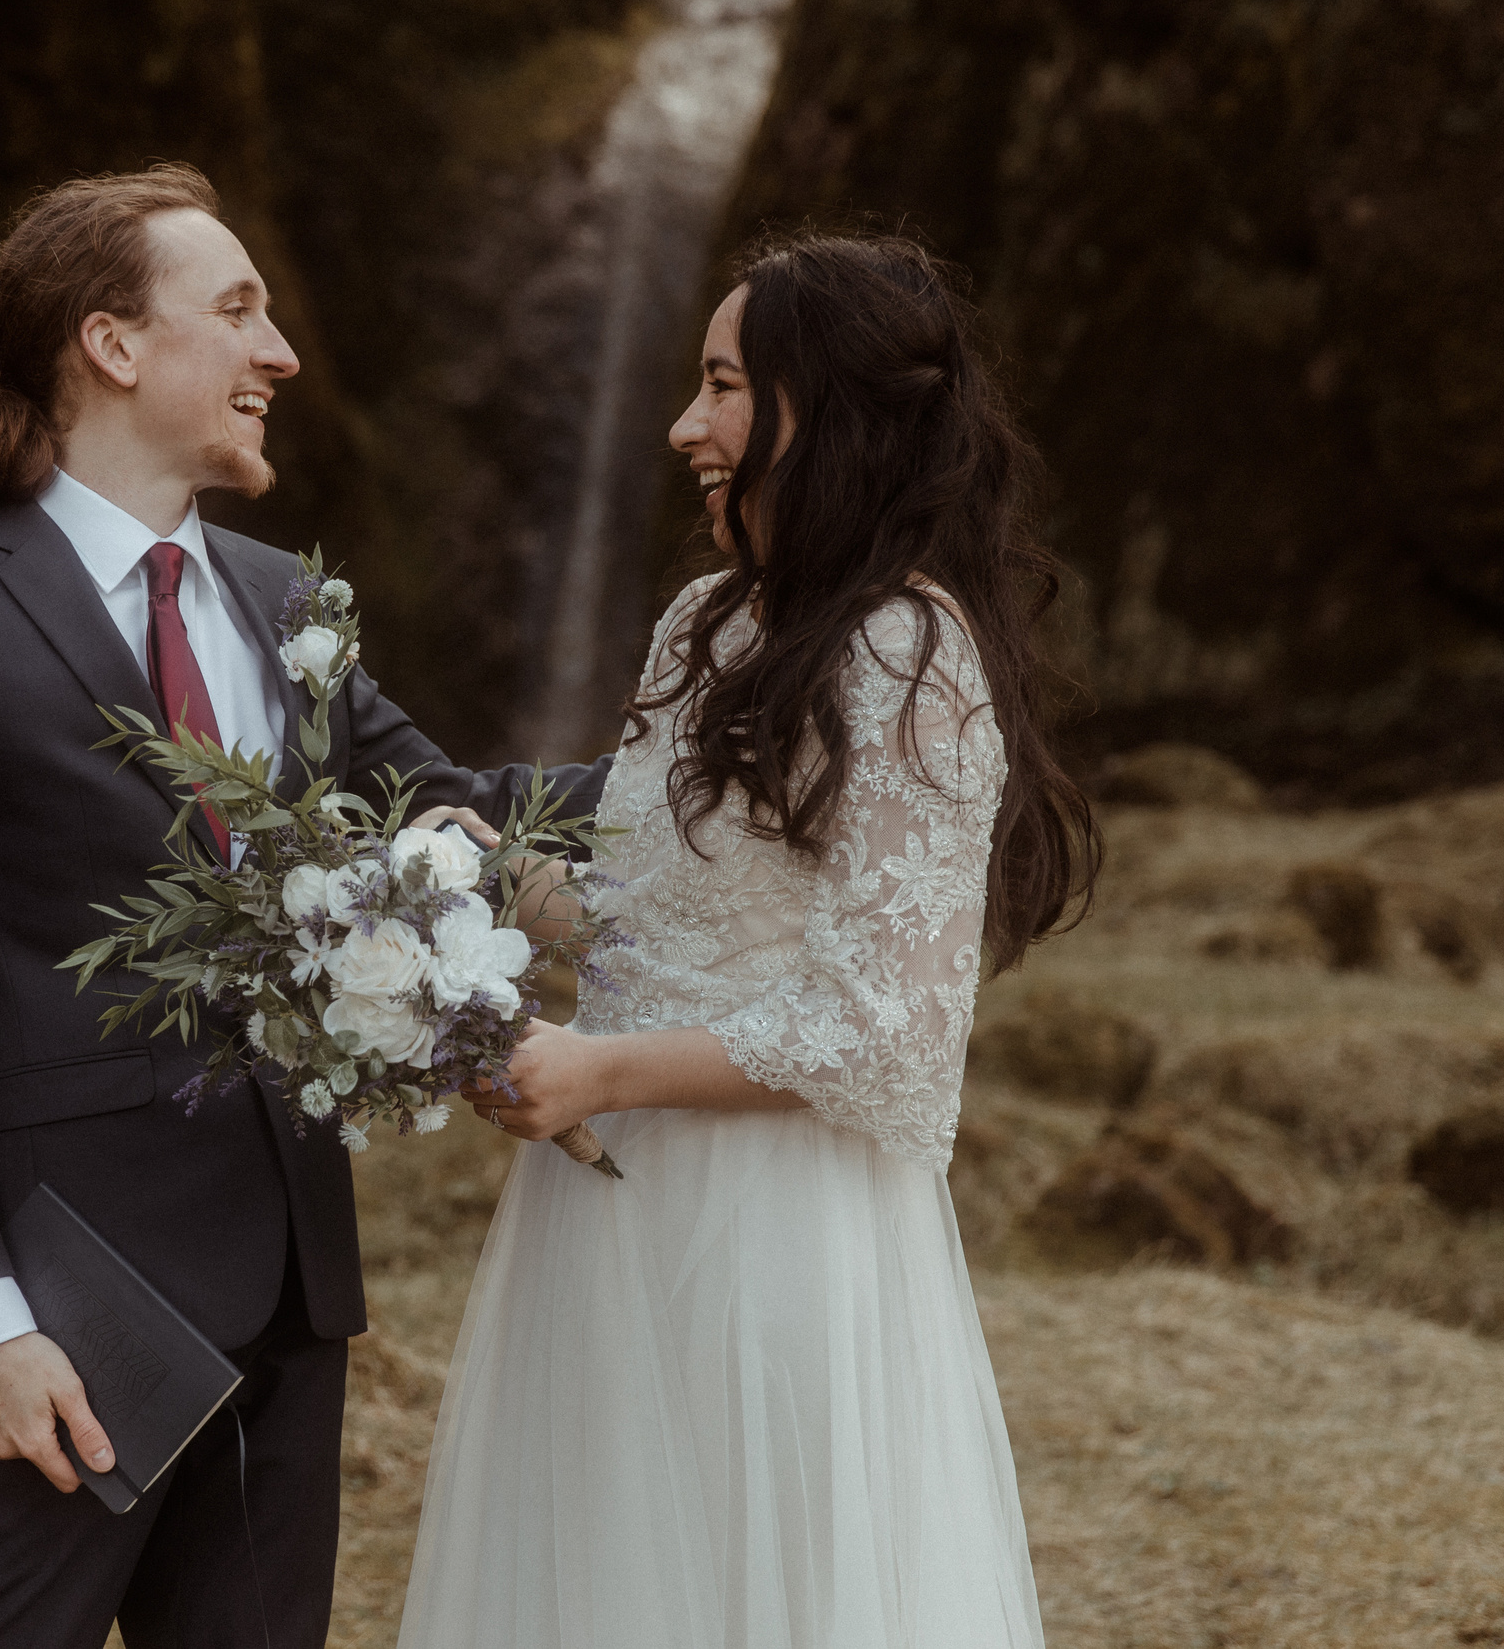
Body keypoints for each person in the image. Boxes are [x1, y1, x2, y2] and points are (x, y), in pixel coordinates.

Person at [0, 164, 606, 1648]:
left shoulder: (288, 603)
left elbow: (454, 805)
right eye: (237, 311)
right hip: (65, 1305)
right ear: (111, 343)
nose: (280, 354)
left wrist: (739, 762)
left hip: (293, 1290)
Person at [397, 230, 1100, 1648]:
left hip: (780, 1232)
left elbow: (885, 1029)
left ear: (822, 407)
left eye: (723, 386)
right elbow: (675, 922)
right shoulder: (701, 626)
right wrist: (500, 891)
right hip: (612, 1216)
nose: (684, 428)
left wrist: (599, 1073)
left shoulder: (912, 656)